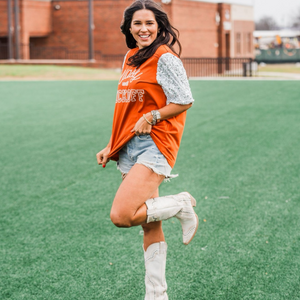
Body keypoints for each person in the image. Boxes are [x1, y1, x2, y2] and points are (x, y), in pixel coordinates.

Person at [96, 0, 198, 299]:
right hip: (129, 145)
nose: (144, 29)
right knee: (149, 224)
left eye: (150, 23)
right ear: (129, 27)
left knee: (123, 215)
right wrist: (112, 144)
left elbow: (184, 99)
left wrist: (151, 116)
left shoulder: (165, 58)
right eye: (138, 23)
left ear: (159, 26)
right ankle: (157, 294)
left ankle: (180, 203)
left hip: (156, 142)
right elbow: (128, 107)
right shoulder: (130, 58)